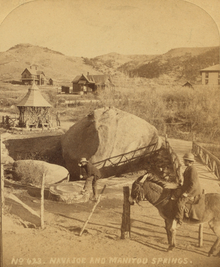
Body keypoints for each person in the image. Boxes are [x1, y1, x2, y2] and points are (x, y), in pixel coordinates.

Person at [175, 152, 202, 225]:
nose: (183, 161)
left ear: (188, 161)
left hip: (193, 191)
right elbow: (188, 181)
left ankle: (179, 219)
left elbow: (194, 184)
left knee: (180, 202)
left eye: (185, 160)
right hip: (188, 188)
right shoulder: (189, 168)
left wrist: (186, 193)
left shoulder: (192, 169)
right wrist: (181, 184)